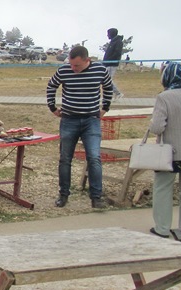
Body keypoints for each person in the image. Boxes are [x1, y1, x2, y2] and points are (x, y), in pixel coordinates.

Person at [46, 44, 113, 209]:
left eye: (77, 65)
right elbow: (51, 86)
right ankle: (63, 194)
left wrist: (105, 108)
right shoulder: (64, 71)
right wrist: (53, 108)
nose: (73, 68)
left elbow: (109, 87)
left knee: (94, 158)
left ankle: (96, 197)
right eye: (71, 64)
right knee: (65, 158)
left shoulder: (100, 70)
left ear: (87, 60)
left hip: (91, 120)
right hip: (69, 119)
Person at [147, 62, 181, 239]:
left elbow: (157, 128)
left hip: (170, 152)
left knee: (163, 189)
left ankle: (162, 228)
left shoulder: (165, 97)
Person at [102, 27, 124, 99]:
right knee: (106, 80)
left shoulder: (118, 42)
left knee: (107, 80)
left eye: (108, 34)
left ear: (112, 34)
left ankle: (118, 93)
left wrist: (109, 60)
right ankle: (114, 94)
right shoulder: (112, 41)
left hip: (112, 64)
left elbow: (117, 53)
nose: (107, 35)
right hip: (107, 63)